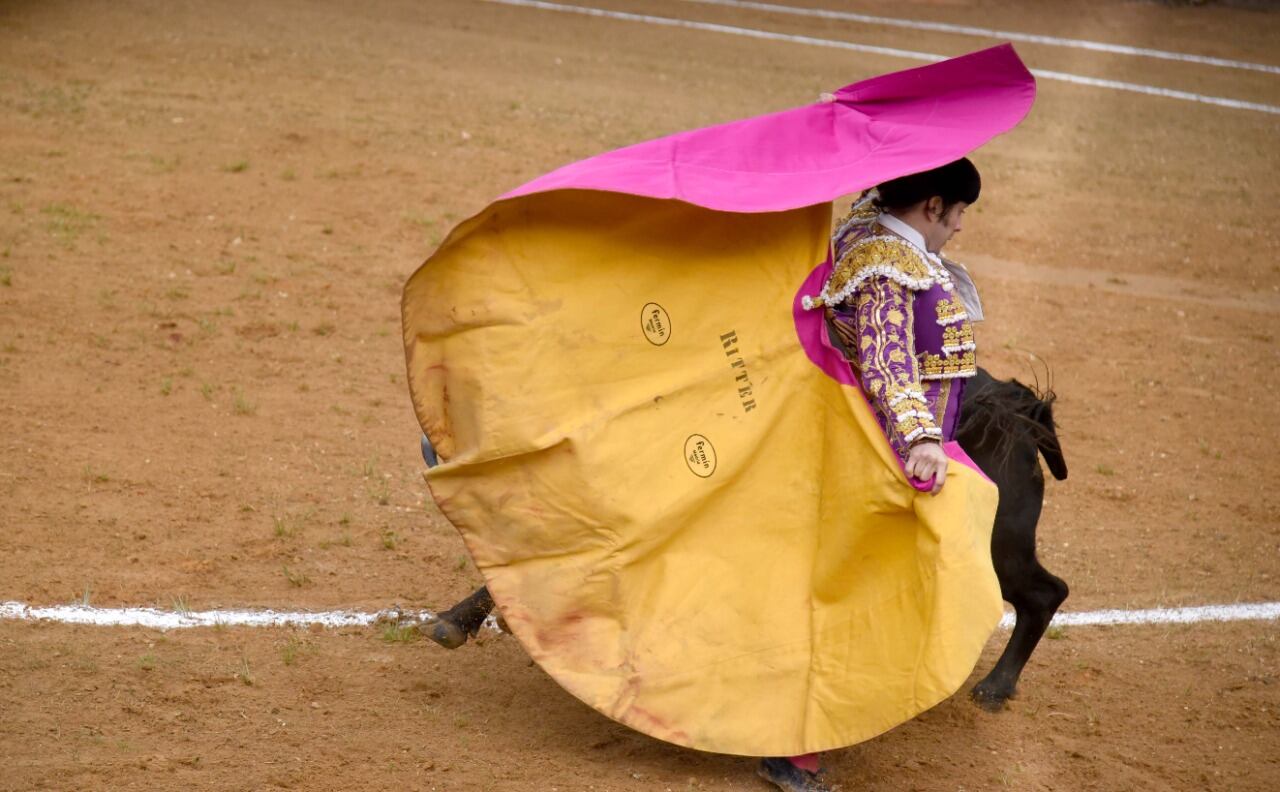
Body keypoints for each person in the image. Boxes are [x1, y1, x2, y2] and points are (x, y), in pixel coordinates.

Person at [421, 159, 986, 792]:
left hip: (824, 428)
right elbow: (886, 360)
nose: (960, 228)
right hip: (853, 454)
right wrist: (920, 440)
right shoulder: (888, 262)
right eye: (959, 213)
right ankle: (792, 748)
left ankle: (499, 593)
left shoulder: (867, 225)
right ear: (932, 207)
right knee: (821, 590)